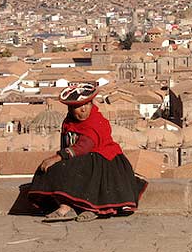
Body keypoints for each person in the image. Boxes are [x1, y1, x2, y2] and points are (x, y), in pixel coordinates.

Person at [28, 83, 147, 222]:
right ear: (70, 108)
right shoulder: (69, 122)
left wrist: (59, 157)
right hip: (82, 160)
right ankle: (66, 206)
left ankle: (92, 209)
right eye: (78, 106)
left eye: (87, 104)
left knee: (78, 170)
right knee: (57, 169)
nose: (83, 109)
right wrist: (61, 158)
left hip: (104, 161)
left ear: (92, 103)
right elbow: (67, 145)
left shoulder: (96, 121)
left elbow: (84, 146)